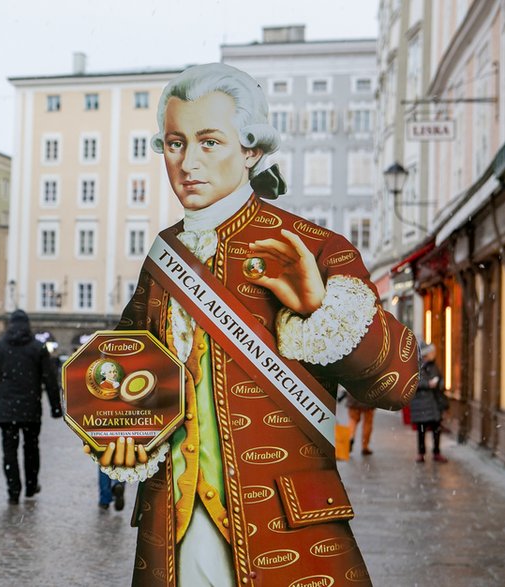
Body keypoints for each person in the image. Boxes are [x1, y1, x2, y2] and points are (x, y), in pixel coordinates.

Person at [87, 63, 419, 586]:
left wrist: (317, 307)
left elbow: (397, 383)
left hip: (288, 535)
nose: (188, 163)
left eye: (209, 142)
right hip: (171, 539)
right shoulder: (162, 257)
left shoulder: (315, 246)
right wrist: (123, 437)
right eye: (175, 143)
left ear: (251, 150)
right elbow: (131, 388)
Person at [0, 309, 62, 505]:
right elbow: (49, 379)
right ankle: (31, 485)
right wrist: (55, 406)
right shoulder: (38, 348)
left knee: (9, 450)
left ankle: (13, 490)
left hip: (7, 409)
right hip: (31, 408)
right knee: (31, 448)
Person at [410, 343, 448, 463]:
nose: (433, 355)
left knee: (436, 429)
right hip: (421, 404)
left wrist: (440, 385)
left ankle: (436, 452)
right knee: (422, 430)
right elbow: (413, 383)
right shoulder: (416, 366)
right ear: (426, 354)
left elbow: (441, 378)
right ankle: (421, 453)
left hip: (434, 403)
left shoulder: (434, 365)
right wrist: (428, 384)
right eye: (432, 353)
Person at [346, 391, 376, 456]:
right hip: (369, 396)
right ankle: (365, 446)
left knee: (353, 419)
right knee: (368, 422)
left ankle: (350, 436)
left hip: (353, 395)